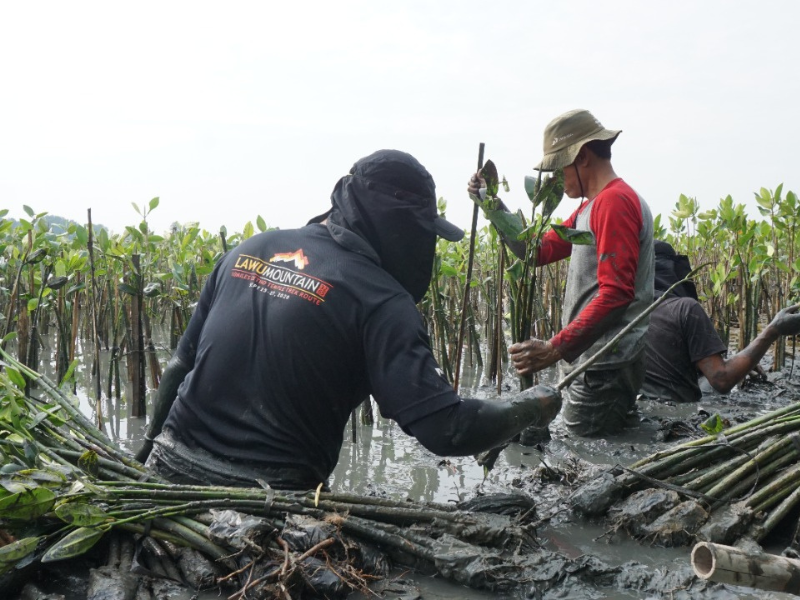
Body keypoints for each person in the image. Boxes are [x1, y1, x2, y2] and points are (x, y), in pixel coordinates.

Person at [134, 149, 562, 490]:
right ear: (393, 225)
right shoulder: (383, 301)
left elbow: (178, 367)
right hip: (271, 497)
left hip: (167, 469)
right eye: (419, 231)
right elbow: (447, 430)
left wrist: (144, 459)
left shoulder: (248, 249)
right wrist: (530, 407)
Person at [469, 109, 654, 439]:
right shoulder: (591, 206)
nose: (553, 179)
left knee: (588, 449)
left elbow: (616, 294)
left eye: (558, 168)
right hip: (595, 363)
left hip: (603, 366)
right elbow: (535, 250)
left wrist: (555, 348)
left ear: (582, 157)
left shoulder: (614, 202)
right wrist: (490, 202)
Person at [641, 240, 800, 402]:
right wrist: (773, 330)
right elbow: (721, 380)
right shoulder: (685, 309)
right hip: (676, 418)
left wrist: (743, 362)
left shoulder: (625, 313)